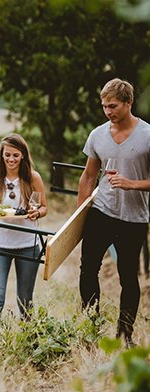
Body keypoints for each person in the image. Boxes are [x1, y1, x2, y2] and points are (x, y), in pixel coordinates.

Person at [77, 78, 150, 346]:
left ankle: (125, 334)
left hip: (134, 218)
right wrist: (79, 215)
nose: (108, 111)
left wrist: (132, 184)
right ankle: (91, 329)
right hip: (102, 213)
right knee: (87, 271)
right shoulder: (97, 135)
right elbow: (88, 177)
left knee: (128, 277)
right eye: (104, 106)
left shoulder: (147, 135)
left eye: (113, 106)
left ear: (128, 103)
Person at [0, 134, 48, 346]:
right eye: (7, 155)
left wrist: (37, 212)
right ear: (1, 155)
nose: (11, 159)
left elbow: (44, 207)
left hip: (28, 244)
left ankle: (29, 343)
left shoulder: (33, 178)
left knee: (25, 298)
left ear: (23, 156)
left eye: (15, 155)